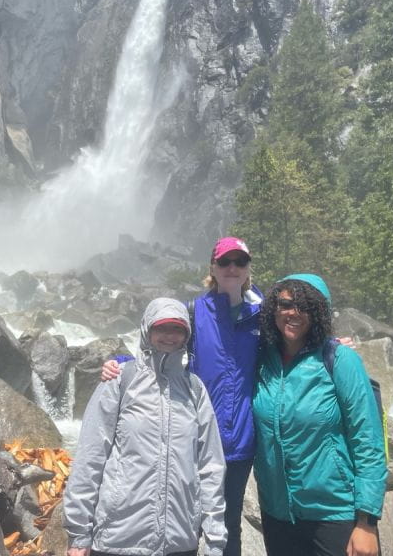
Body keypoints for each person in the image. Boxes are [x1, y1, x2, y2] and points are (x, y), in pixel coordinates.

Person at [102, 237, 262, 556]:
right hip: (192, 436)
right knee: (183, 520)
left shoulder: (262, 314)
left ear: (248, 269)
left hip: (240, 441)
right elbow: (164, 347)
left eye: (239, 262)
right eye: (224, 261)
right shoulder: (194, 311)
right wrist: (121, 363)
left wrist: (331, 344)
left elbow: (292, 344)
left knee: (228, 524)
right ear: (213, 268)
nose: (232, 267)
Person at [63, 297, 227, 556]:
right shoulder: (120, 380)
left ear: (186, 335)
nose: (169, 335)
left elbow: (211, 466)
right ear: (146, 330)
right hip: (117, 538)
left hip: (179, 541)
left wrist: (215, 538)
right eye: (161, 328)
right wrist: (78, 534)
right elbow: (90, 457)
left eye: (177, 329)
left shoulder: (194, 389)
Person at [253, 274, 387, 556]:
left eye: (306, 306)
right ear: (273, 308)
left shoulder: (340, 360)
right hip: (277, 512)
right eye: (286, 304)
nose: (294, 313)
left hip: (333, 511)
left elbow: (368, 441)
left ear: (320, 312)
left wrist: (367, 522)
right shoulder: (262, 360)